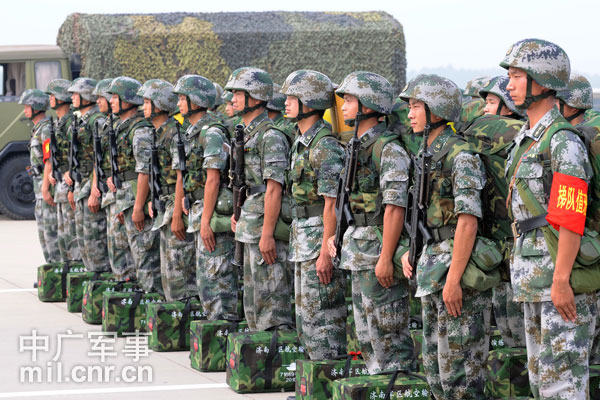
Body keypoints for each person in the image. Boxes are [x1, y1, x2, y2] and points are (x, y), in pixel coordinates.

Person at [502, 38, 597, 398]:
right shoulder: (528, 139)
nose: (509, 84)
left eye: (516, 76)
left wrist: (560, 280)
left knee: (563, 385)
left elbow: (571, 215)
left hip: (560, 280)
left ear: (541, 81)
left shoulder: (562, 141)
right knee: (543, 383)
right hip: (534, 278)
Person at [400, 74, 490, 398]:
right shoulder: (425, 154)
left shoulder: (460, 155)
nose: (409, 113)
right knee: (436, 376)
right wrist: (408, 252)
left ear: (436, 110)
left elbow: (468, 221)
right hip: (433, 269)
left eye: (416, 106)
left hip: (457, 274)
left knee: (462, 378)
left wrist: (454, 280)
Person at [327, 71, 415, 374]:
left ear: (369, 104)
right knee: (366, 335)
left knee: (387, 335)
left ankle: (395, 386)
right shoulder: (357, 145)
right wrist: (337, 237)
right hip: (359, 249)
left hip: (378, 250)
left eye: (350, 99)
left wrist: (386, 258)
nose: (343, 106)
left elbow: (394, 208)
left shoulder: (387, 148)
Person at [281, 70, 347, 359]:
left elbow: (331, 205)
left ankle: (328, 375)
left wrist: (325, 253)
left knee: (322, 317)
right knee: (305, 316)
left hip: (317, 238)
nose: (285, 103)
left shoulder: (324, 146)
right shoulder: (302, 140)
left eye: (292, 98)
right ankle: (315, 380)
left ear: (309, 102)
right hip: (302, 238)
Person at [225, 67, 293, 331]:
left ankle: (274, 362)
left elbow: (274, 189)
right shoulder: (248, 133)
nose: (232, 99)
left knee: (271, 306)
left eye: (238, 93)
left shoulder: (270, 136)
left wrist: (267, 234)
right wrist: (238, 215)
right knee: (254, 305)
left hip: (265, 227)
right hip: (250, 224)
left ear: (255, 96)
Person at [463, 76, 527, 348]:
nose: (484, 109)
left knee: (518, 331)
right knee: (508, 326)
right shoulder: (499, 135)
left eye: (490, 102)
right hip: (499, 247)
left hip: (514, 247)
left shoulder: (515, 134)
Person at [172, 74, 237, 318]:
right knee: (206, 281)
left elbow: (213, 178)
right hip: (200, 208)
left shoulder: (211, 132)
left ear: (196, 100)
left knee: (216, 278)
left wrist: (206, 221)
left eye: (182, 99)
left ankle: (222, 328)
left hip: (212, 210)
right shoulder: (193, 131)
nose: (178, 104)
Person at [140, 79, 197, 301]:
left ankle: (183, 321)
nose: (143, 107)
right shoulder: (159, 132)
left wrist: (176, 214)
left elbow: (181, 174)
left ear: (159, 104)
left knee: (179, 274)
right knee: (167, 274)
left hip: (176, 203)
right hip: (164, 204)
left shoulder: (174, 133)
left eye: (147, 102)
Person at [106, 76, 161, 293]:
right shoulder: (125, 126)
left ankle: (151, 300)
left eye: (115, 97)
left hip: (136, 197)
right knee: (131, 253)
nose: (111, 101)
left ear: (127, 101)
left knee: (144, 255)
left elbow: (144, 170)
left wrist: (138, 207)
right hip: (126, 196)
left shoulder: (140, 129)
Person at [91, 78, 135, 280]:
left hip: (128, 193)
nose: (101, 101)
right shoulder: (113, 126)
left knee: (128, 248)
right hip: (115, 191)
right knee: (115, 245)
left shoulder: (135, 128)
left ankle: (129, 285)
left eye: (109, 97)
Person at [65, 77, 110, 272]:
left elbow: (99, 159)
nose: (72, 97)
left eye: (76, 93)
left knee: (94, 239)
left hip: (91, 184)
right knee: (82, 237)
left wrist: (94, 189)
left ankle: (99, 276)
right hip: (81, 184)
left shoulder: (96, 120)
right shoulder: (81, 120)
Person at [19, 89, 60, 263]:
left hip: (45, 188)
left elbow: (48, 159)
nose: (24, 110)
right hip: (38, 188)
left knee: (52, 234)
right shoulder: (38, 129)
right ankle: (49, 270)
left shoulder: (46, 129)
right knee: (44, 233)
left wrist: (45, 188)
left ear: (36, 107)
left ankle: (57, 270)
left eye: (27, 106)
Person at [44, 79, 82, 264]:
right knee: (63, 236)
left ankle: (75, 271)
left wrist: (72, 186)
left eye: (52, 95)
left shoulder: (70, 123)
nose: (50, 99)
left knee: (72, 235)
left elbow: (77, 156)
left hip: (69, 185)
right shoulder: (59, 123)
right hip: (59, 184)